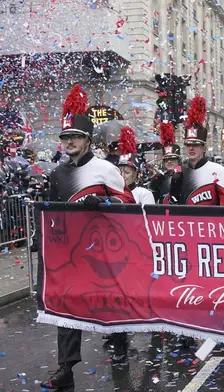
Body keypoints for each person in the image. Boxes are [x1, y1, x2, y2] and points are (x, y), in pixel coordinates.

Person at [41, 85, 135, 390]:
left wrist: (106, 204)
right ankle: (65, 367)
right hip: (70, 253)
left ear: (88, 140)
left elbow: (128, 205)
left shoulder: (106, 169)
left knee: (112, 302)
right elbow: (53, 213)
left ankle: (119, 343)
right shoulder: (57, 174)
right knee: (67, 308)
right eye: (65, 138)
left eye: (75, 137)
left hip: (105, 253)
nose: (69, 142)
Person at [166, 96, 224, 206]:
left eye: (196, 144)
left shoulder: (219, 171)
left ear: (204, 148)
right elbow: (172, 207)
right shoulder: (179, 171)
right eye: (188, 145)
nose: (191, 148)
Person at [116, 126, 155, 204]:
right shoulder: (113, 193)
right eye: (120, 172)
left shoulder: (144, 194)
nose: (122, 176)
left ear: (135, 175)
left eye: (127, 172)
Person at [149, 122, 181, 203]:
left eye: (172, 159)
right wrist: (153, 184)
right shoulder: (161, 178)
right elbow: (153, 200)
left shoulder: (184, 175)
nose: (169, 161)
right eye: (166, 159)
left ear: (178, 161)